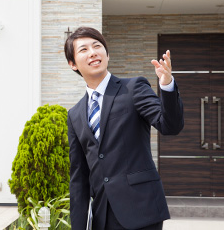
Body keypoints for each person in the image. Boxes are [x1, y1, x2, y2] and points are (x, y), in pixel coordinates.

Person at [65, 27, 184, 230]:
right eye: (83, 49)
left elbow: (169, 125)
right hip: (103, 216)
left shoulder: (133, 88)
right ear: (73, 64)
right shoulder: (75, 114)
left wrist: (167, 85)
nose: (93, 52)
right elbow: (79, 177)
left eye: (97, 46)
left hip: (141, 209)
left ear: (107, 54)